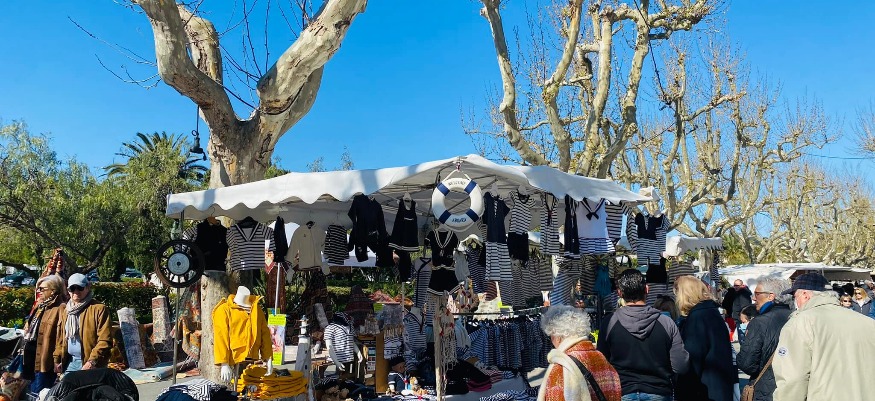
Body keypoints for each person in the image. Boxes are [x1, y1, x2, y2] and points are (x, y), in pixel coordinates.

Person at [773, 273, 875, 400]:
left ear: (805, 295)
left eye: (795, 296)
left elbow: (793, 380)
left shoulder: (800, 323)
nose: (795, 301)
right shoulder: (868, 323)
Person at [597, 270, 688, 401]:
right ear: (647, 289)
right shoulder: (666, 322)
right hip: (659, 391)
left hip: (623, 391)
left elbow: (601, 363)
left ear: (619, 293)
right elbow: (680, 365)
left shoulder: (609, 322)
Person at [539, 305, 621, 401]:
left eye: (550, 336)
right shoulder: (601, 357)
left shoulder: (562, 366)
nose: (552, 341)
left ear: (557, 336)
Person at [673, 276, 735, 401]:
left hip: (704, 390)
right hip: (719, 386)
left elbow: (693, 360)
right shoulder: (711, 312)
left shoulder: (698, 317)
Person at [736, 278, 792, 401]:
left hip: (766, 390)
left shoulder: (759, 323)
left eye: (757, 294)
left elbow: (747, 364)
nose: (753, 298)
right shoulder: (796, 317)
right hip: (792, 389)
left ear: (771, 296)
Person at [22, 275, 67, 395]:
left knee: (40, 394)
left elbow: (61, 337)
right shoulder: (40, 306)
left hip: (45, 361)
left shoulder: (60, 308)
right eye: (38, 288)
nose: (38, 291)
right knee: (29, 393)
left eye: (42, 289)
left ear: (53, 291)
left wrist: (57, 359)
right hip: (30, 358)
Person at [59, 273, 112, 372]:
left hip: (91, 365)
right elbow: (61, 338)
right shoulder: (66, 310)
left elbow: (105, 340)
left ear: (87, 287)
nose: (76, 292)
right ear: (68, 290)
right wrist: (57, 359)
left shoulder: (99, 309)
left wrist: (92, 361)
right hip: (70, 362)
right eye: (72, 288)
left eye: (80, 288)